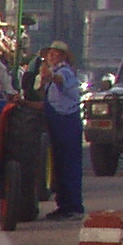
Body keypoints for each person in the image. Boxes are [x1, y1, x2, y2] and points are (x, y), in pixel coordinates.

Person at [40, 42, 85, 219]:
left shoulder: (64, 72)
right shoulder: (53, 75)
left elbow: (61, 81)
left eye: (55, 54)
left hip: (67, 123)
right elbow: (49, 103)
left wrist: (49, 76)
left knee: (69, 165)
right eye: (49, 54)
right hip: (57, 122)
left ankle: (73, 206)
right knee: (59, 165)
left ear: (63, 57)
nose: (51, 57)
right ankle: (64, 204)